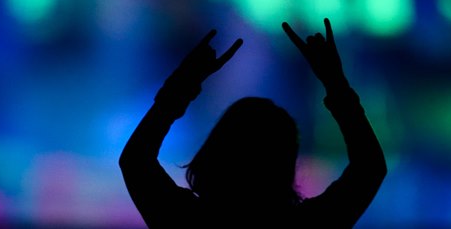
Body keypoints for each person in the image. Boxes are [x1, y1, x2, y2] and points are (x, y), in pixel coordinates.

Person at [119, 18, 386, 228]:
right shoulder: (311, 223)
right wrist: (335, 83)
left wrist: (180, 86)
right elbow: (369, 168)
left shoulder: (184, 219)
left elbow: (135, 161)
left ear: (216, 152)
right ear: (284, 161)